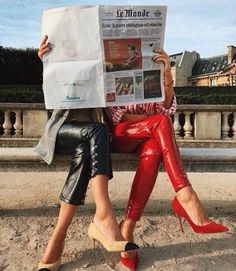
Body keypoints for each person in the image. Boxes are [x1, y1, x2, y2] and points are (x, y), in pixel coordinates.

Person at [105, 48, 229, 271]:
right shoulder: (117, 71)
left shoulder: (155, 74)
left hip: (149, 137)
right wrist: (151, 119)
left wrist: (167, 78)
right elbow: (117, 114)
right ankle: (186, 196)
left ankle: (128, 228)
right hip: (123, 134)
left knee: (153, 151)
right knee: (161, 122)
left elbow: (167, 108)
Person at [35, 36, 139, 271]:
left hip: (91, 138)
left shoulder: (105, 68)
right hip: (63, 129)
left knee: (87, 147)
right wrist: (46, 63)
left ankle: (57, 239)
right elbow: (50, 103)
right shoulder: (63, 64)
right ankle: (103, 214)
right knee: (96, 132)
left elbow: (126, 85)